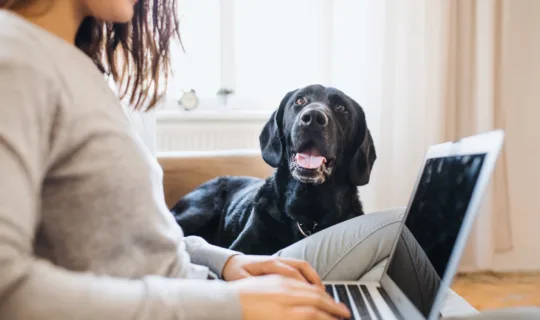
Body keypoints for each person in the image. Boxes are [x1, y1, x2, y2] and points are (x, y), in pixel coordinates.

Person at [0, 1, 538, 320]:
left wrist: (227, 263)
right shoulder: (16, 58)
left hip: (211, 287)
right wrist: (232, 306)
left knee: (420, 275)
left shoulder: (82, 74)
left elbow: (138, 242)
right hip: (211, 309)